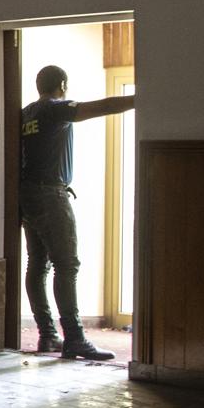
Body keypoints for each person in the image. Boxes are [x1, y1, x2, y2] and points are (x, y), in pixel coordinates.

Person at [20, 65, 136, 360]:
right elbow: (103, 106)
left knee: (37, 264)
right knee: (66, 265)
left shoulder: (26, 113)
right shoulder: (55, 108)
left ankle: (48, 335)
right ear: (63, 84)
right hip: (50, 195)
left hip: (28, 194)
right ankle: (74, 338)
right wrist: (139, 98)